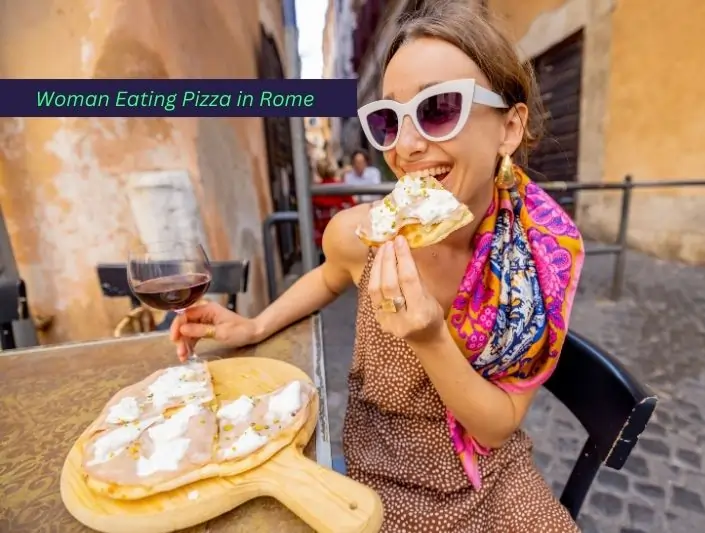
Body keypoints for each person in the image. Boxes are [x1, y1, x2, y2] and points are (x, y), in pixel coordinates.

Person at [170, 1, 585, 531]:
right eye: (390, 120)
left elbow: (497, 429)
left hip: (494, 472)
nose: (407, 147)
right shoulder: (362, 235)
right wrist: (255, 324)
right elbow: (326, 277)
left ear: (508, 128)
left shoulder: (542, 253)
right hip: (388, 470)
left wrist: (430, 337)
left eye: (438, 109)